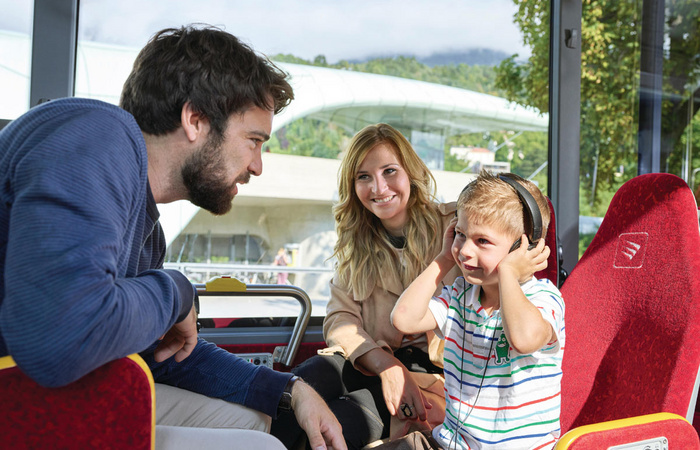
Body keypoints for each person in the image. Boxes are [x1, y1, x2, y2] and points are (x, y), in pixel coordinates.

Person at [0, 25, 345, 450]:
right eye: (253, 141)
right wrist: (176, 290)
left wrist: (291, 389)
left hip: (44, 389)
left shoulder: (147, 232)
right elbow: (63, 336)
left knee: (260, 420)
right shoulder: (97, 135)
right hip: (23, 391)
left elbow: (163, 350)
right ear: (195, 119)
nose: (257, 167)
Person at [271, 123, 462, 449]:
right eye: (364, 176)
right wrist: (386, 364)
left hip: (432, 377)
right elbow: (339, 320)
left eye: (390, 171)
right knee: (288, 397)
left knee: (327, 429)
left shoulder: (455, 226)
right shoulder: (355, 244)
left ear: (411, 172)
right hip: (368, 359)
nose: (379, 187)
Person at [381, 171, 564, 450]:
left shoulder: (543, 297)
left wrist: (507, 273)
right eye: (461, 234)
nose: (465, 250)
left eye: (482, 241)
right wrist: (443, 259)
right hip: (452, 442)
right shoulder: (459, 295)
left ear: (522, 249)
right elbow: (403, 318)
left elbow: (524, 339)